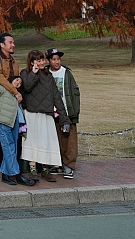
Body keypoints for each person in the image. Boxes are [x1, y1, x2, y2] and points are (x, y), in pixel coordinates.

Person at [0, 33, 35, 186]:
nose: (13, 45)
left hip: (12, 103)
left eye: (13, 42)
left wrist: (18, 85)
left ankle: (8, 171)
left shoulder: (14, 62)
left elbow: (16, 80)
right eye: (10, 42)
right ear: (2, 45)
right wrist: (14, 91)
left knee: (12, 139)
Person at [19, 49, 71, 182]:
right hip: (31, 113)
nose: (42, 62)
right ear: (32, 62)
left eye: (42, 59)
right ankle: (33, 169)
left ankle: (46, 170)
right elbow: (27, 87)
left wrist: (64, 117)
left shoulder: (48, 75)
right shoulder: (25, 73)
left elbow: (56, 97)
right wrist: (34, 73)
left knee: (47, 142)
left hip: (46, 113)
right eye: (38, 60)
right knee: (33, 141)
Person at [47, 47, 80, 178]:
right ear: (48, 60)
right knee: (55, 140)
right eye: (54, 59)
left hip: (66, 113)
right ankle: (56, 164)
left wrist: (74, 112)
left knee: (69, 140)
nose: (57, 62)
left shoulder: (66, 73)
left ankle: (69, 165)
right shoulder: (45, 74)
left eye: (58, 59)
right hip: (52, 113)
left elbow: (75, 93)